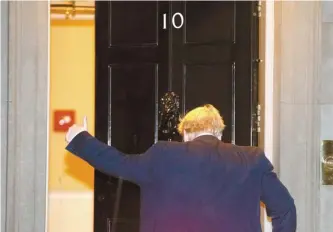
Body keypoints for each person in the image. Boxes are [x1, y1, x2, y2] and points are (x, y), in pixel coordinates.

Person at [65, 104, 296, 232]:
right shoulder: (251, 159)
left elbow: (119, 162)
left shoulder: (164, 155)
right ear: (219, 132)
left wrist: (81, 139)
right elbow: (284, 209)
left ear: (185, 133)